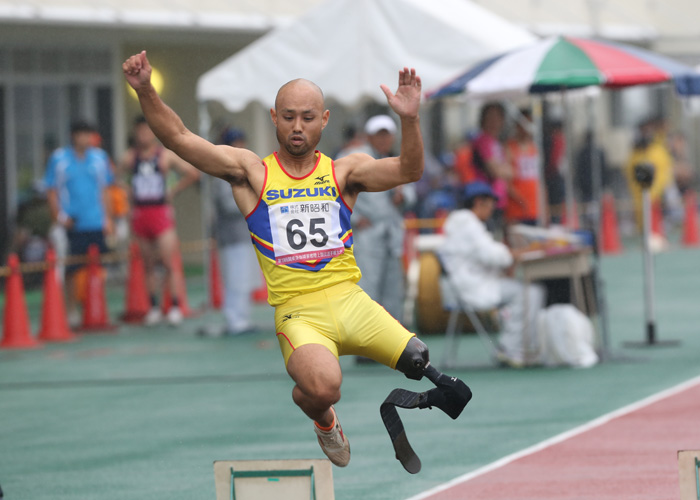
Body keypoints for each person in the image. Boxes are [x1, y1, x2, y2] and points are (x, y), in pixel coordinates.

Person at [123, 50, 471, 470]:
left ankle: (336, 395)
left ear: (324, 120)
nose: (297, 127)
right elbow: (179, 138)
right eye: (288, 117)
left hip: (352, 301)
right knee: (325, 388)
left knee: (419, 359)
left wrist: (410, 120)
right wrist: (145, 91)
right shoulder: (251, 171)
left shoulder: (345, 171)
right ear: (273, 117)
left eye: (307, 117)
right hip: (299, 311)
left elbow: (409, 170)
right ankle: (324, 421)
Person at [438, 181, 545, 367]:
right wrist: (516, 254)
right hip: (474, 288)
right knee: (531, 293)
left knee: (523, 289)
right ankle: (511, 349)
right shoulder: (467, 223)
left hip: (471, 284)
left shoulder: (462, 223)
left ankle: (515, 346)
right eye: (490, 204)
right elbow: (491, 254)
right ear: (479, 202)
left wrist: (510, 256)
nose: (493, 209)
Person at [118, 115, 201, 326]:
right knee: (148, 265)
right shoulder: (129, 157)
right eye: (140, 131)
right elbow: (114, 177)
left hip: (160, 213)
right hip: (141, 213)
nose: (143, 135)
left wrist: (173, 191)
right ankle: (153, 306)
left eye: (147, 131)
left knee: (168, 262)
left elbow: (192, 173)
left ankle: (173, 305)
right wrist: (127, 191)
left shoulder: (165, 156)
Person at [335, 114, 415, 322]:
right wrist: (354, 219)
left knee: (392, 288)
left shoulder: (393, 158)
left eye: (386, 135)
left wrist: (402, 196)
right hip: (366, 233)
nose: (383, 140)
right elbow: (331, 192)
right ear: (368, 137)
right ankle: (365, 343)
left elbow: (411, 191)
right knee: (367, 286)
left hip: (391, 233)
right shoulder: (353, 157)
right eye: (378, 135)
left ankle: (393, 339)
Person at [44, 120, 114, 325]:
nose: (85, 138)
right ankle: (71, 310)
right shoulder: (59, 159)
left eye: (88, 134)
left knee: (99, 269)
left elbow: (106, 190)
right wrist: (59, 218)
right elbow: (51, 190)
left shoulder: (100, 158)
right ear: (73, 136)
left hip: (96, 222)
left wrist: (108, 219)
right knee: (72, 270)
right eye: (81, 134)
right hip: (73, 224)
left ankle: (95, 307)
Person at [198, 128, 261, 337]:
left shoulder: (241, 171)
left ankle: (242, 318)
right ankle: (236, 320)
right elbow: (229, 205)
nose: (240, 147)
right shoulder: (224, 173)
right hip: (232, 235)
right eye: (236, 143)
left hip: (243, 234)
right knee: (235, 279)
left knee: (244, 278)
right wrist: (254, 201)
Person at [471, 102, 512, 231]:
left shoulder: (498, 143)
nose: (494, 121)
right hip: (486, 201)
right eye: (490, 117)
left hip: (499, 200)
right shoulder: (483, 140)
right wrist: (504, 169)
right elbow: (496, 171)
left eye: (497, 117)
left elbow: (511, 170)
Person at [504, 109, 540, 227]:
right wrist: (521, 200)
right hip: (516, 210)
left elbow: (539, 179)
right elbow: (506, 183)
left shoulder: (535, 148)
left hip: (535, 209)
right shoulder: (509, 148)